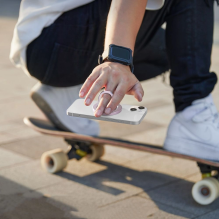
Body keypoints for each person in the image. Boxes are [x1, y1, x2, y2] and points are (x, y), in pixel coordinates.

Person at [10, 0, 219, 161]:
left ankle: (67, 91)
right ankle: (194, 114)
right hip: (55, 37)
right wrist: (117, 59)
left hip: (44, 47)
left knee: (177, 48)